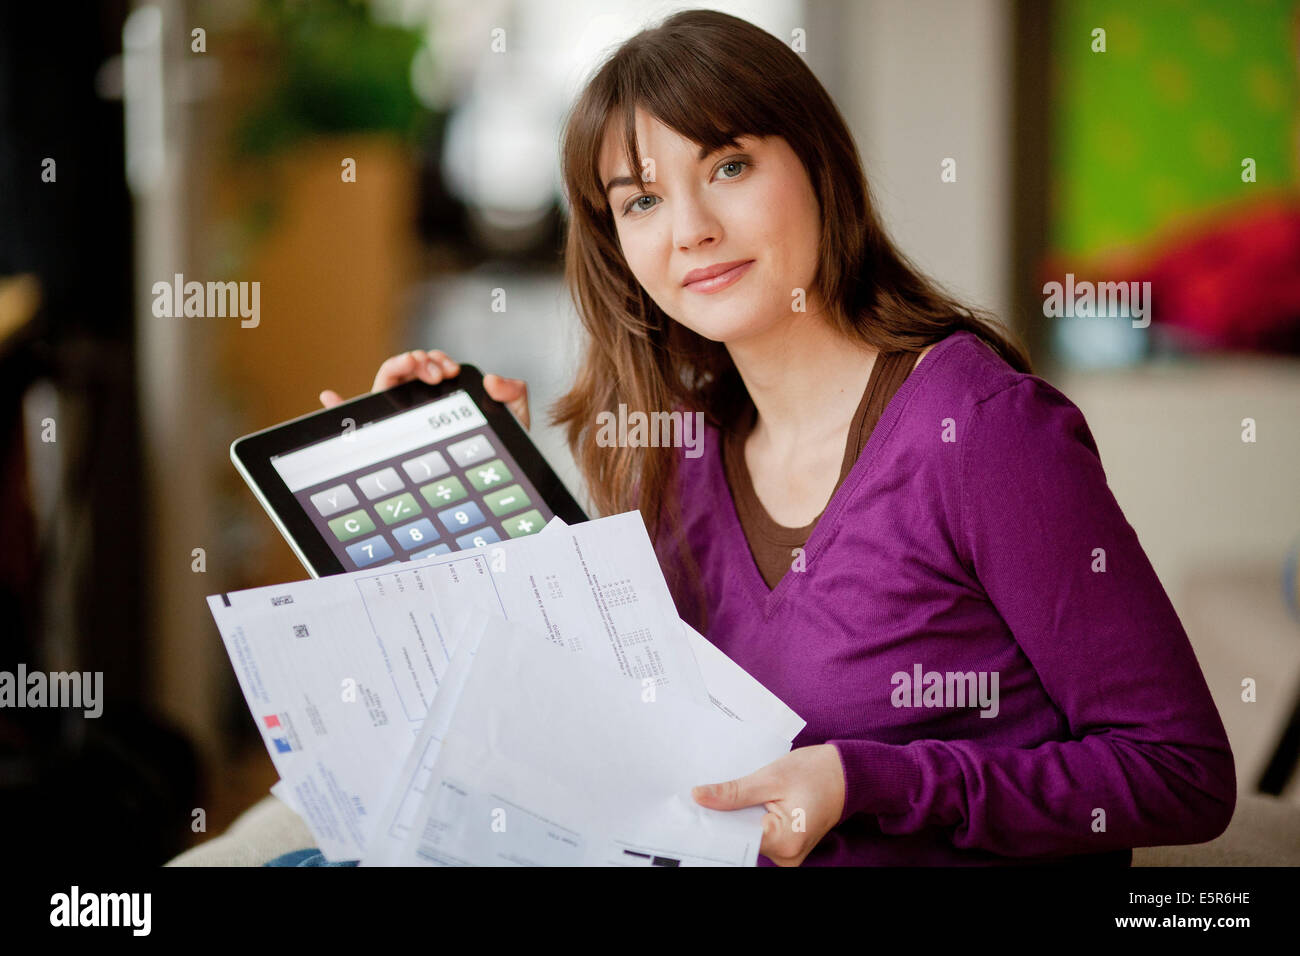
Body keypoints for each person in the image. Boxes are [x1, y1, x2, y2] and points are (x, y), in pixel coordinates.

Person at [287, 8, 1235, 867]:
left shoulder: (982, 433)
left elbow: (1179, 771)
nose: (692, 228)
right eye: (642, 200)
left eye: (729, 166)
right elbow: (622, 741)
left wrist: (871, 780)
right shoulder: (675, 451)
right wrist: (469, 508)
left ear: (820, 167)